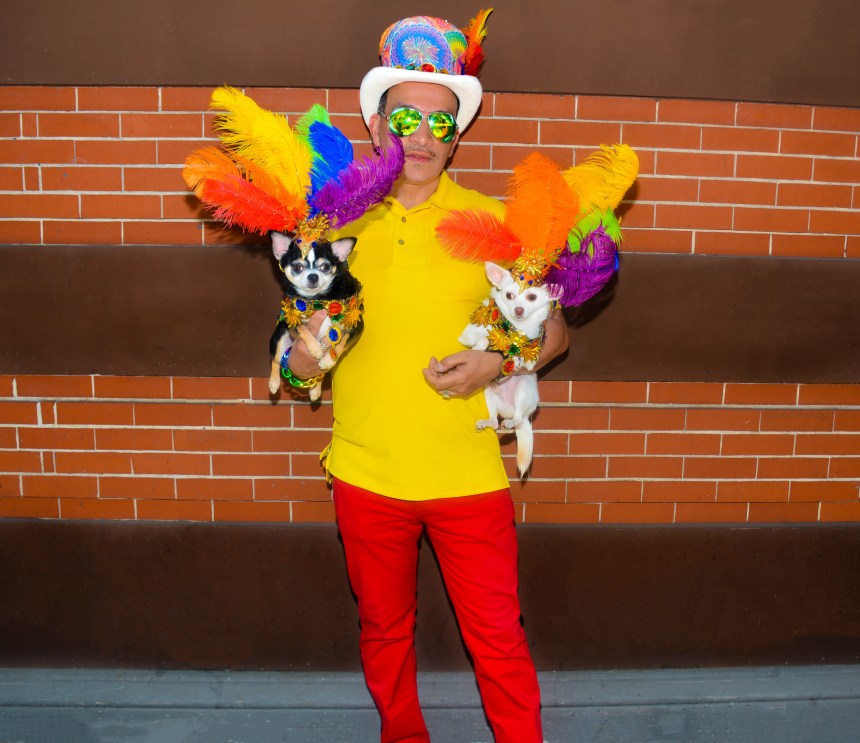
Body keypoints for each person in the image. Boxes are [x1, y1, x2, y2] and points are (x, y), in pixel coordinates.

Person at [288, 11, 568, 743]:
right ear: (377, 126)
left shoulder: (494, 224)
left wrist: (499, 360)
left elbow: (556, 331)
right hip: (365, 472)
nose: (420, 134)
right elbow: (296, 345)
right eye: (404, 116)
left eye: (439, 122)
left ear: (457, 134)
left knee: (499, 642)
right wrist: (302, 361)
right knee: (384, 632)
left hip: (468, 479)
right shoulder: (332, 221)